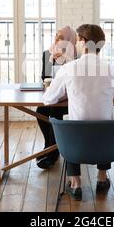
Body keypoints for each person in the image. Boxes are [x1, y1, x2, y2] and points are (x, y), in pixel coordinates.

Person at [43, 24, 114, 201]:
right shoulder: (110, 69)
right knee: (103, 120)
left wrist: (68, 92)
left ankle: (75, 183)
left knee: (75, 123)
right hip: (107, 146)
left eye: (77, 40)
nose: (75, 44)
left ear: (83, 42)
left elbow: (48, 99)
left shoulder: (69, 68)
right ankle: (102, 177)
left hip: (75, 145)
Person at [36, 26, 77, 169]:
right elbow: (44, 77)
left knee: (55, 112)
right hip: (54, 94)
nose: (57, 39)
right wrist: (51, 61)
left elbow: (77, 78)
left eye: (61, 37)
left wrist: (66, 57)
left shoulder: (76, 56)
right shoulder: (47, 53)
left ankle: (51, 154)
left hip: (71, 98)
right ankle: (49, 146)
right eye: (56, 36)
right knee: (40, 111)